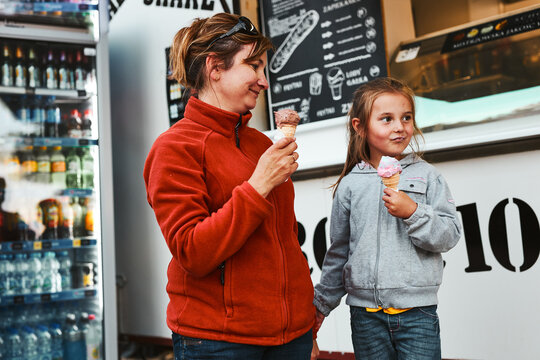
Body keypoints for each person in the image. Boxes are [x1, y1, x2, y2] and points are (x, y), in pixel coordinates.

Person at [143, 13, 318, 360]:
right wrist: (258, 185)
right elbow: (192, 251)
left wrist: (304, 323)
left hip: (291, 337)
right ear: (215, 68)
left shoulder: (258, 144)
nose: (263, 81)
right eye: (253, 66)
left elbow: (283, 240)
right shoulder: (174, 148)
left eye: (263, 68)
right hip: (219, 342)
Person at [313, 77, 462, 359]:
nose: (399, 127)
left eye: (406, 118)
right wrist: (321, 304)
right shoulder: (350, 185)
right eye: (386, 119)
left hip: (418, 314)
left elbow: (450, 234)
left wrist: (414, 213)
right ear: (359, 126)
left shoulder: (427, 176)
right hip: (365, 316)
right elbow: (339, 252)